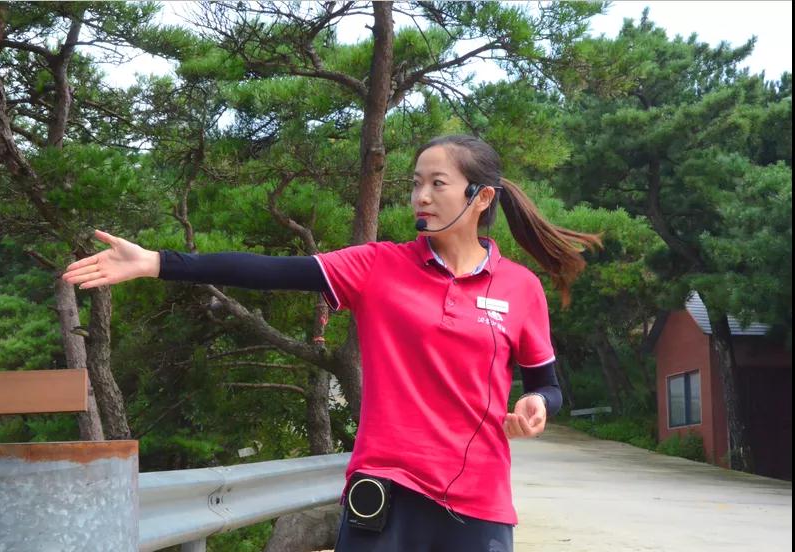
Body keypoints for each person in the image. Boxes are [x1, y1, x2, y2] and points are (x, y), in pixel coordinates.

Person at [62, 135, 601, 551]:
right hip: (387, 491)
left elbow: (547, 385)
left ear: (480, 197)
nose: (420, 196)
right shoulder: (380, 266)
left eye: (437, 184)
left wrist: (537, 404)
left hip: (479, 502)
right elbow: (270, 271)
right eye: (416, 182)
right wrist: (158, 262)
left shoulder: (520, 288)